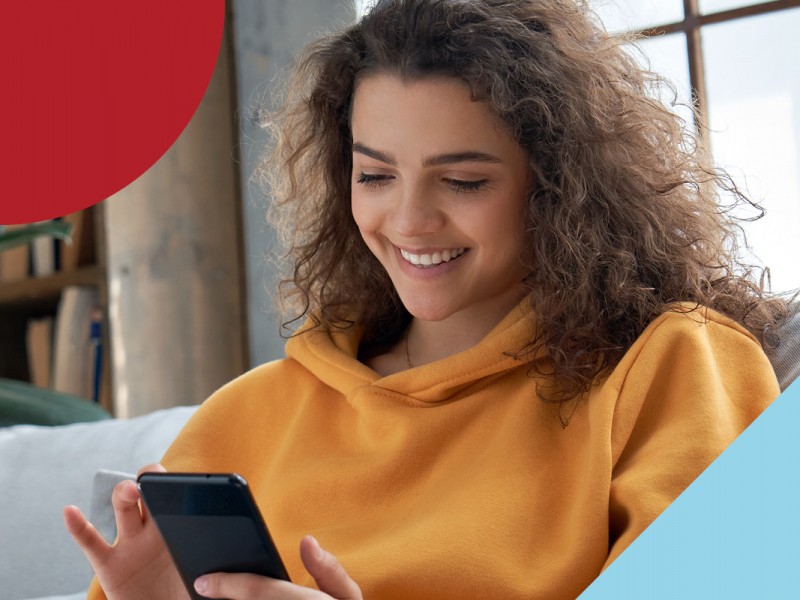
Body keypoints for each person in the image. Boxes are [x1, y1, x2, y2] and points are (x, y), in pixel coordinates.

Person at [65, 0, 789, 598]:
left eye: (464, 181)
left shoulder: (670, 365)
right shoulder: (245, 418)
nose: (409, 222)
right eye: (376, 176)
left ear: (559, 188)